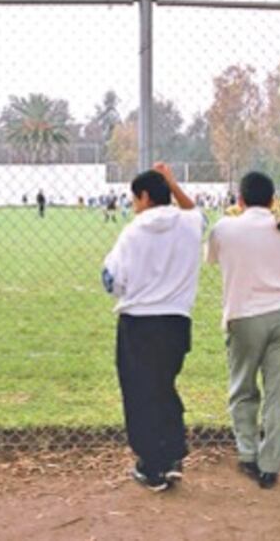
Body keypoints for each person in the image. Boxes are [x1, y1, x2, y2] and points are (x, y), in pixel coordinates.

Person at [102, 163, 203, 492]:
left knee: (138, 393)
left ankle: (151, 464)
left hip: (138, 322)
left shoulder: (133, 231)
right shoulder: (189, 223)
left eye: (135, 198)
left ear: (144, 196)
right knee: (164, 386)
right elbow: (197, 213)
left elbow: (112, 279)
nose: (134, 205)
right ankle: (173, 453)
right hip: (176, 320)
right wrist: (173, 183)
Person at [205, 171, 280, 489]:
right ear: (273, 199)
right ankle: (270, 465)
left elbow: (212, 260)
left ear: (240, 199)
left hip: (244, 315)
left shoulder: (224, 228)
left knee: (242, 388)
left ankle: (248, 453)